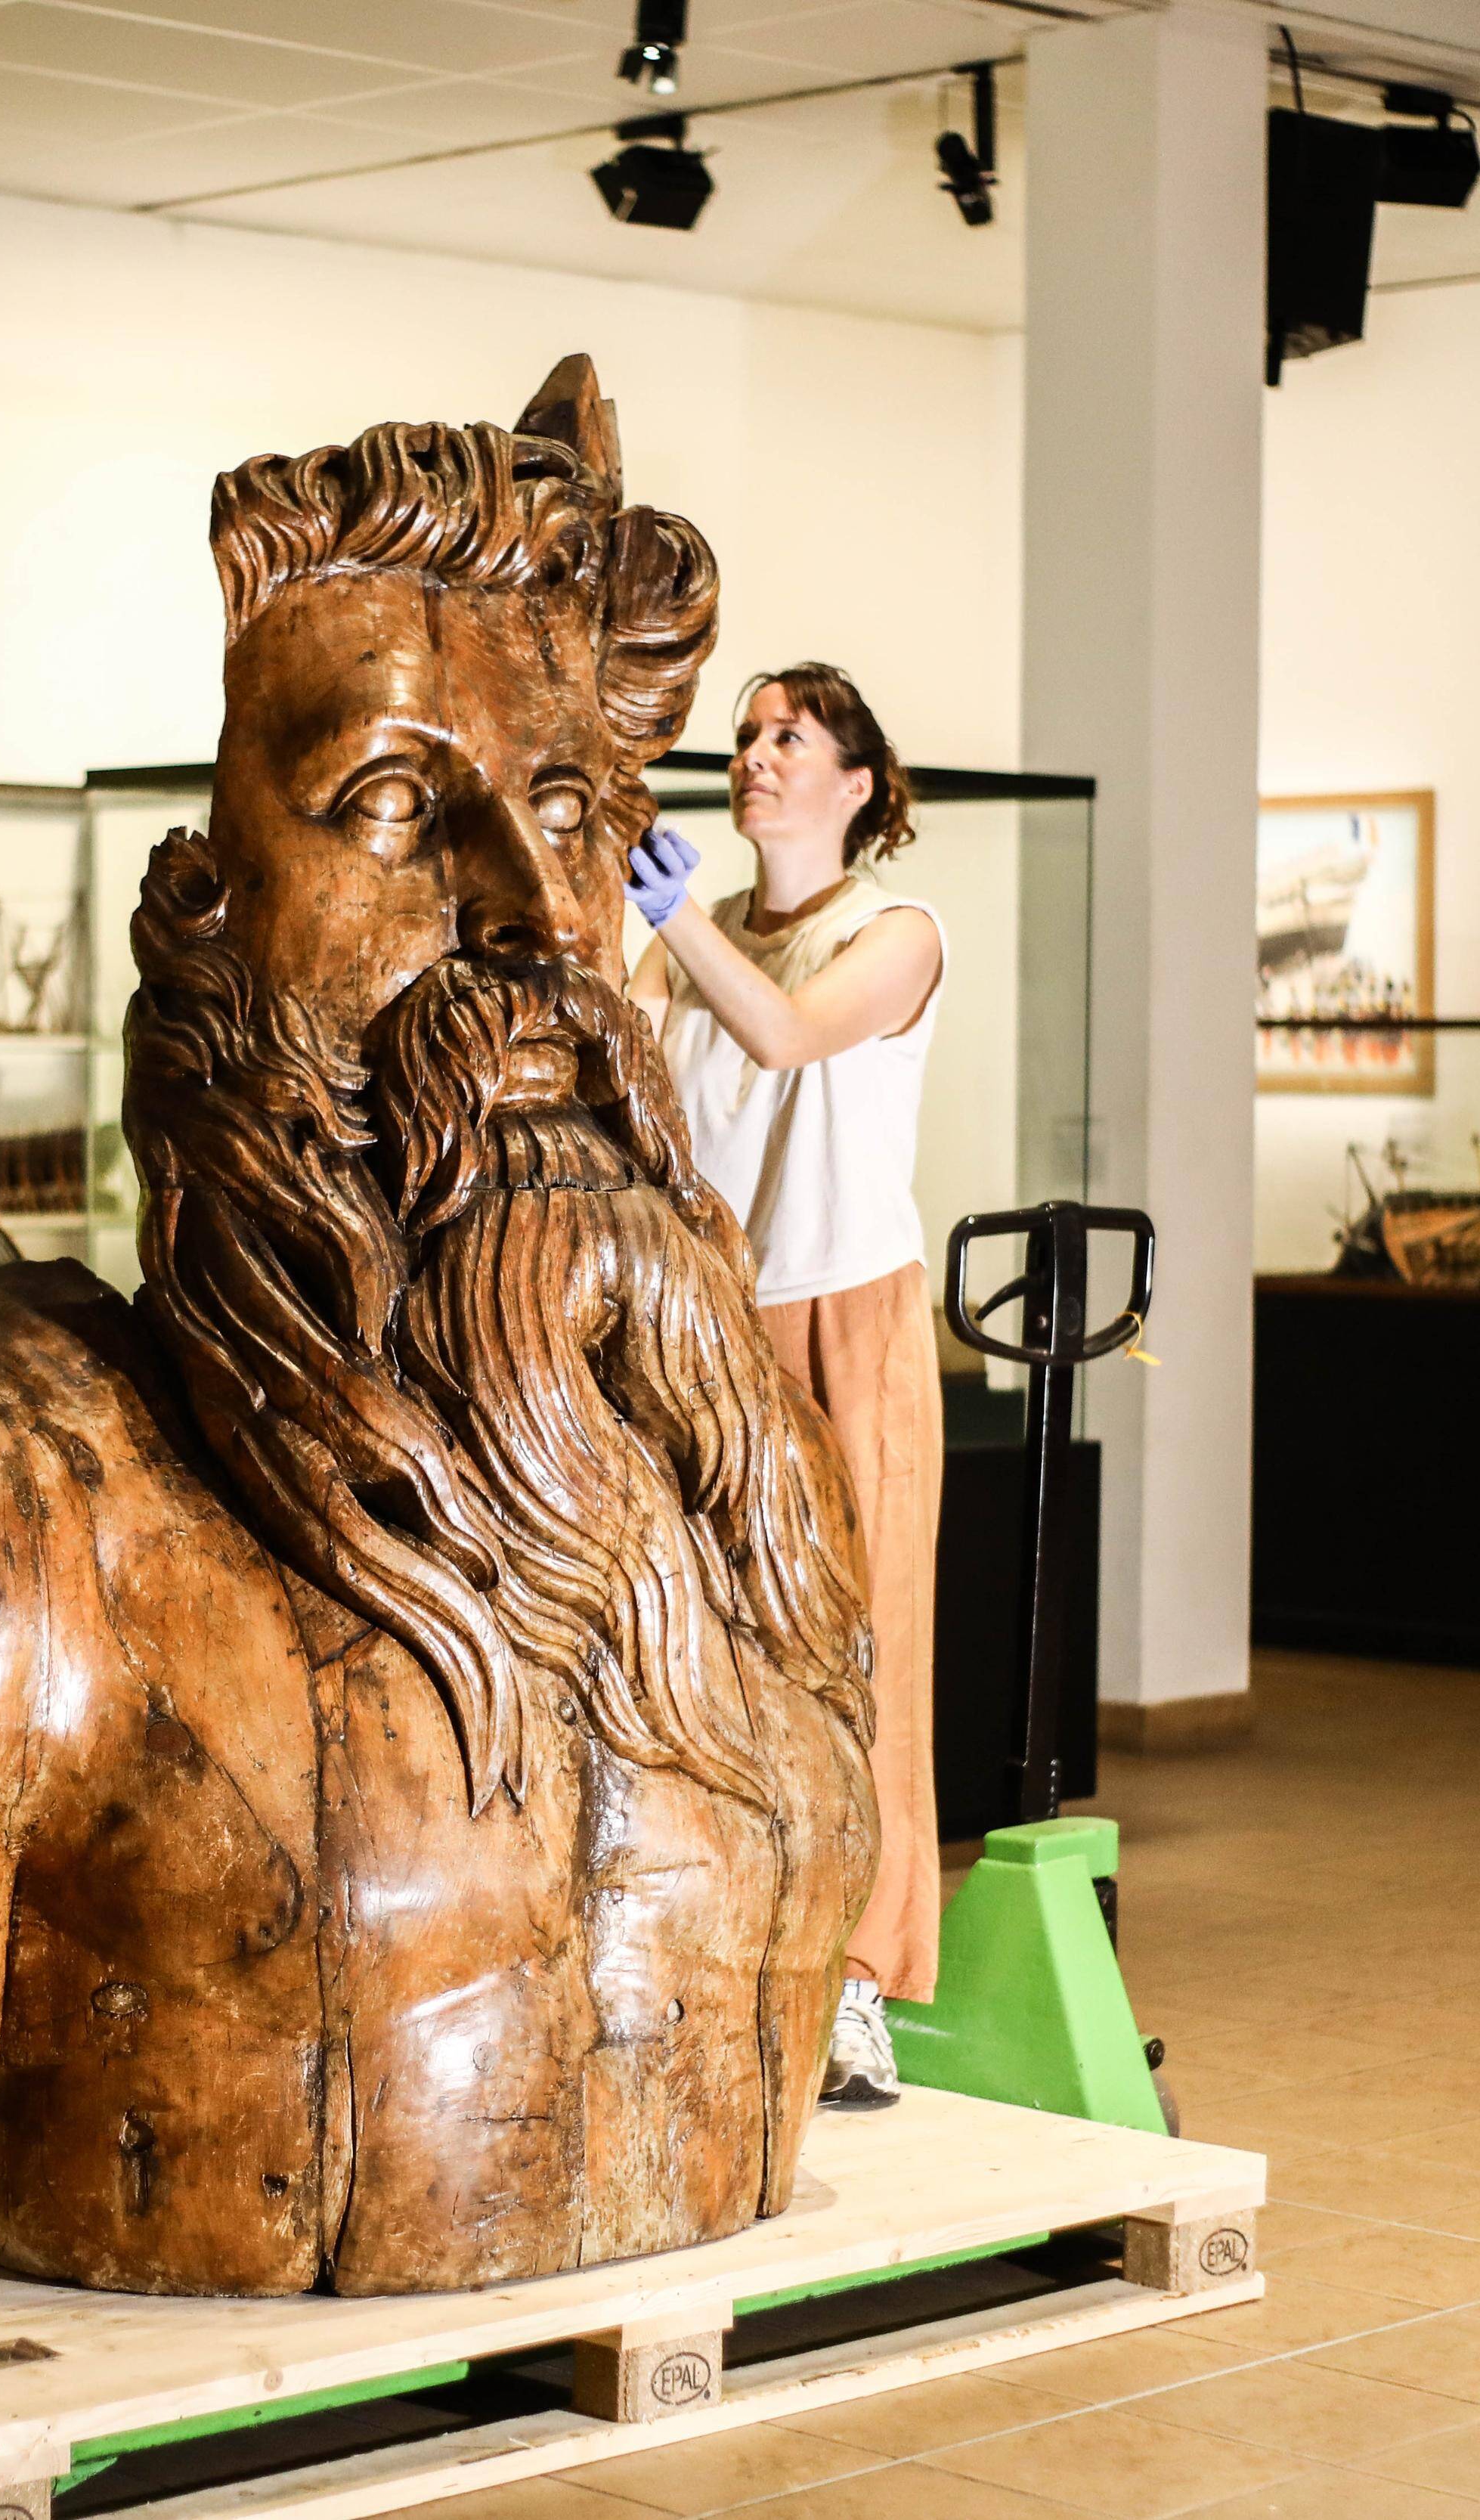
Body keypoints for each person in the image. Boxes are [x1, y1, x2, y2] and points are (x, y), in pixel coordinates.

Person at [627, 662, 946, 2106]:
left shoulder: (898, 935)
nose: (756, 755)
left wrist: (669, 915)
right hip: (712, 1328)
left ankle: (861, 1983)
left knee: (867, 1651)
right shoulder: (686, 945)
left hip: (850, 1321)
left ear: (857, 783)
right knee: (710, 1649)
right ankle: (724, 1960)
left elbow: (786, 1028)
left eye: (790, 737)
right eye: (747, 735)